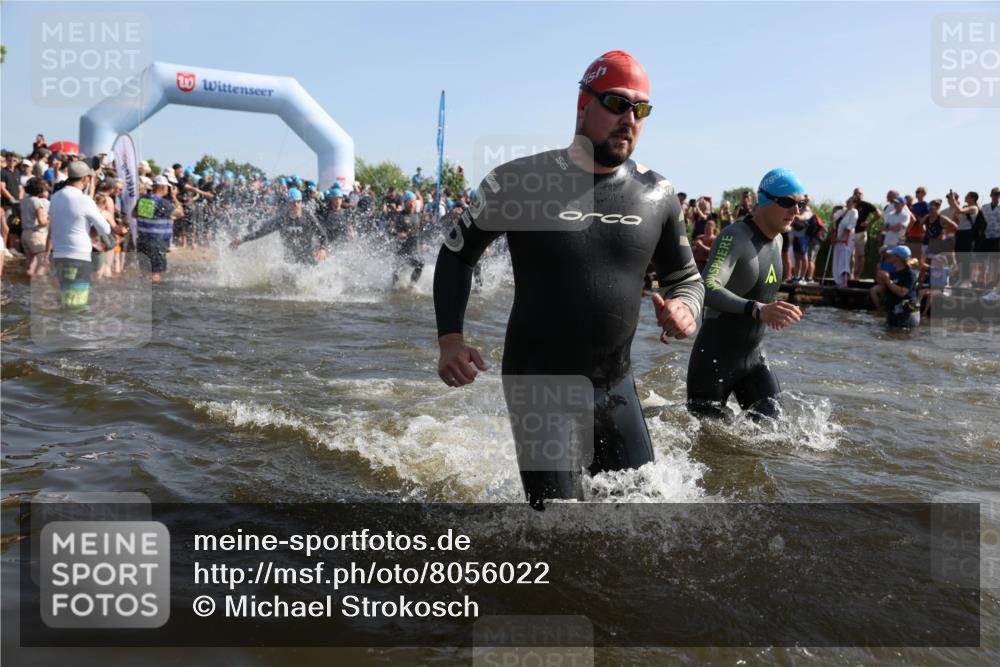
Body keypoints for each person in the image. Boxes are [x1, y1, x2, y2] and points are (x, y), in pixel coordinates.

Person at [433, 50, 703, 509]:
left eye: (641, 110)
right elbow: (456, 256)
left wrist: (687, 310)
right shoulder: (518, 182)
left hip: (616, 384)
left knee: (641, 520)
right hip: (538, 382)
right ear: (583, 105)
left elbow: (687, 278)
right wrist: (450, 341)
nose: (630, 119)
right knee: (559, 530)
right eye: (617, 104)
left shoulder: (657, 195)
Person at [686, 168, 804, 420]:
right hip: (715, 359)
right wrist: (758, 309)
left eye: (801, 203)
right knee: (708, 445)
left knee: (777, 433)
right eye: (787, 202)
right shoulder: (735, 237)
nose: (796, 211)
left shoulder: (779, 240)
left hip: (754, 357)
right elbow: (707, 287)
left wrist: (774, 310)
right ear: (764, 200)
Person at [48, 161, 111, 306]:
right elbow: (105, 229)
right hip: (78, 256)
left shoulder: (55, 196)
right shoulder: (84, 200)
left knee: (64, 299)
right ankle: (75, 328)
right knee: (77, 303)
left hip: (58, 255)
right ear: (86, 179)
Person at [230, 187, 329, 265]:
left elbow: (323, 235)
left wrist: (323, 248)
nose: (296, 205)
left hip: (307, 258)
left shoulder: (308, 216)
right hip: (290, 261)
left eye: (298, 202)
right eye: (293, 202)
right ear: (288, 204)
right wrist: (242, 240)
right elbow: (261, 232)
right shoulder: (282, 219)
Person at [134, 175, 183, 282]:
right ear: (162, 187)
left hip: (142, 241)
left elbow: (134, 214)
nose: (168, 190)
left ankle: (144, 294)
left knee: (145, 272)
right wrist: (174, 197)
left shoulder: (143, 200)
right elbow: (180, 213)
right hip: (156, 243)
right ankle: (154, 295)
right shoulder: (162, 203)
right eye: (167, 188)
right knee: (155, 273)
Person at [876, 245, 920, 329]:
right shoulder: (892, 272)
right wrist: (882, 280)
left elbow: (902, 292)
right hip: (893, 312)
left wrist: (888, 281)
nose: (889, 256)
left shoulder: (909, 274)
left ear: (897, 257)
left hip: (906, 315)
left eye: (892, 254)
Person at [946, 190, 980, 287]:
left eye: (967, 196)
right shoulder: (965, 207)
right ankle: (961, 278)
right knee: (959, 257)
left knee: (966, 257)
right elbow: (956, 213)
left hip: (968, 234)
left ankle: (967, 280)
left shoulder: (974, 208)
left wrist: (953, 200)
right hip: (960, 233)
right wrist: (952, 200)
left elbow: (960, 211)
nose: (965, 197)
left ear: (973, 198)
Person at [19, 177, 51, 276]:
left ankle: (26, 285)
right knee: (42, 263)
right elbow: (42, 221)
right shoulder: (37, 202)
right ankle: (39, 285)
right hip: (36, 235)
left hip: (24, 234)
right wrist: (50, 220)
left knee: (29, 265)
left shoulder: (24, 200)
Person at [391, 191, 424, 285]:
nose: (412, 204)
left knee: (420, 264)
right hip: (401, 249)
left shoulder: (418, 216)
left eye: (413, 201)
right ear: (405, 203)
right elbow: (391, 230)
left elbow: (421, 232)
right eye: (410, 202)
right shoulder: (400, 216)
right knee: (397, 270)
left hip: (412, 249)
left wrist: (422, 244)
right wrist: (398, 234)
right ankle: (394, 288)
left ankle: (412, 285)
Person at [851, 187, 881, 279]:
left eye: (859, 193)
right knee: (850, 254)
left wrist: (869, 223)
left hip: (861, 233)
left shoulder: (866, 205)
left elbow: (878, 214)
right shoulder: (850, 203)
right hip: (850, 233)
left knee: (860, 255)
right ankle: (850, 275)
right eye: (856, 193)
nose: (857, 195)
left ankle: (858, 276)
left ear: (862, 195)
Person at [831, 197, 858, 288]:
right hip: (838, 238)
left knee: (844, 259)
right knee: (837, 259)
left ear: (854, 203)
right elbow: (833, 220)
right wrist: (833, 211)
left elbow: (850, 225)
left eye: (849, 201)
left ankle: (844, 281)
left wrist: (844, 239)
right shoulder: (842, 211)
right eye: (847, 201)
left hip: (847, 240)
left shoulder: (854, 212)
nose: (847, 202)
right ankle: (838, 281)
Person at [981, 187, 1000, 301]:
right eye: (995, 194)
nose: (997, 196)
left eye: (998, 194)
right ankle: (983, 281)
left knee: (995, 261)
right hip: (985, 237)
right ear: (991, 195)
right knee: (983, 260)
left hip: (997, 237)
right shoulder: (984, 207)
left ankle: (992, 282)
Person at [789, 194, 813, 282]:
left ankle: (802, 277)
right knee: (797, 257)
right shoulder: (800, 209)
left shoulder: (808, 211)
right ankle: (796, 276)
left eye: (806, 200)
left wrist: (792, 213)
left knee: (804, 257)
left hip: (803, 237)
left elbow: (801, 218)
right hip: (796, 235)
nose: (804, 201)